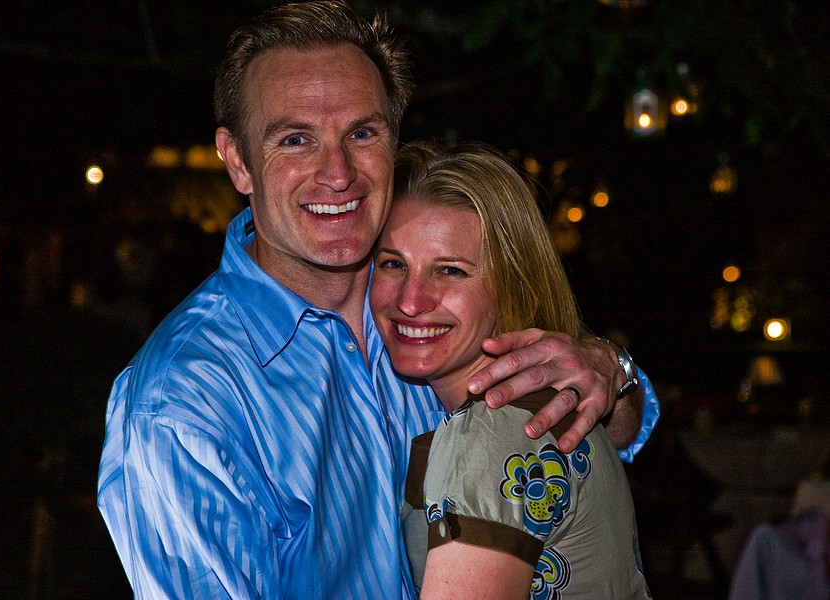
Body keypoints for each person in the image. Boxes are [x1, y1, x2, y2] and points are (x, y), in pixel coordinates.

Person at [96, 2, 659, 598]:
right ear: (238, 161)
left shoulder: (422, 304)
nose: (337, 173)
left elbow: (594, 447)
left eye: (361, 134)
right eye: (295, 139)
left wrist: (610, 373)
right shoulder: (180, 402)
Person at [372, 141, 650, 598]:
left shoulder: (493, 429)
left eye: (450, 271)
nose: (410, 301)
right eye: (393, 263)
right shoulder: (543, 400)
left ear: (513, 285)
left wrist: (616, 368)